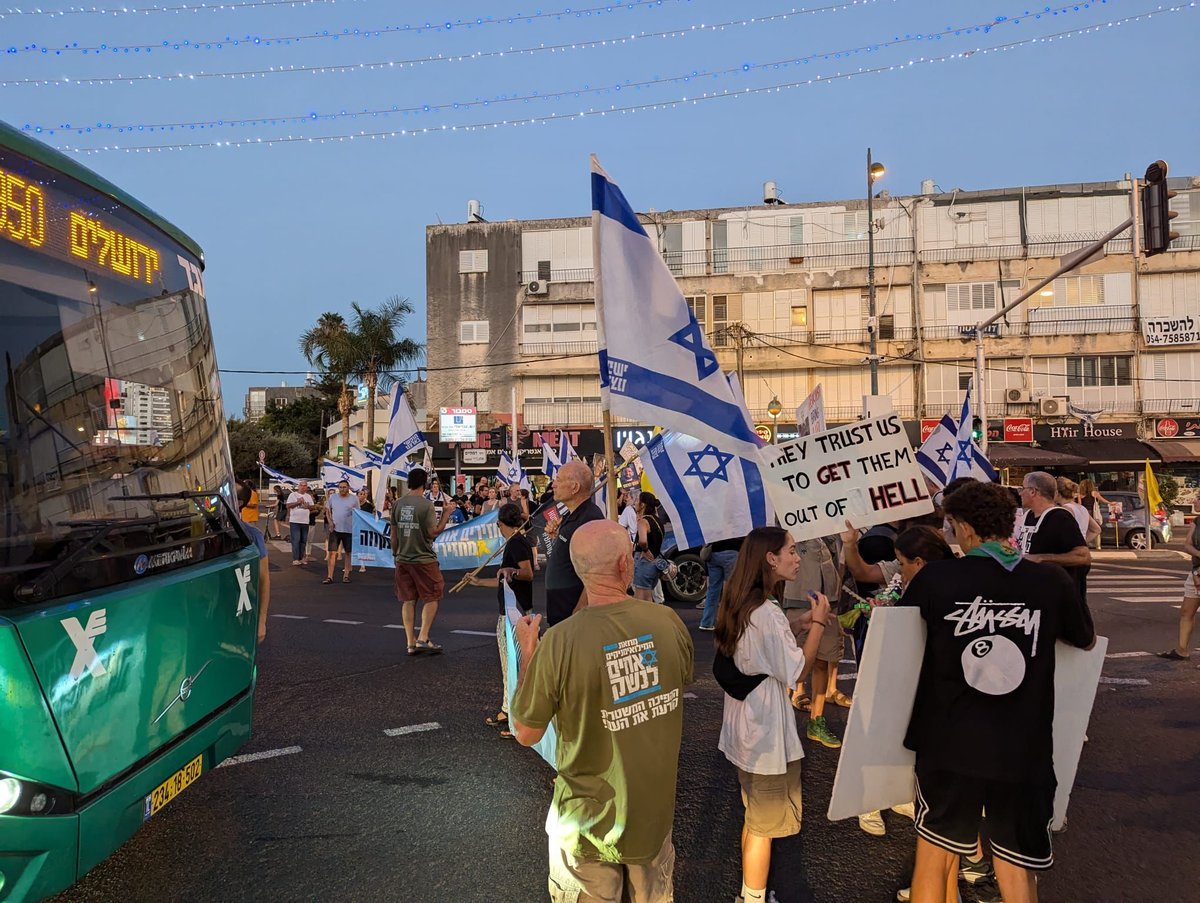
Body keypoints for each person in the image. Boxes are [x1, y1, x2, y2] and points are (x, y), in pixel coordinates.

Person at [901, 481, 1095, 903]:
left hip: (949, 740)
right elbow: (1084, 639)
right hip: (1022, 744)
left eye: (952, 526)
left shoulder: (936, 578)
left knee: (934, 858)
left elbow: (898, 645)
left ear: (966, 527)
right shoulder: (1050, 581)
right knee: (1017, 866)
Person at [510, 520, 693, 903]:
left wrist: (528, 655)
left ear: (578, 571)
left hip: (584, 822)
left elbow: (525, 732)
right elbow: (680, 680)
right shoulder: (669, 622)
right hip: (652, 814)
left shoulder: (559, 642)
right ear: (627, 565)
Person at [714, 526, 832, 903]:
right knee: (764, 826)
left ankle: (751, 892)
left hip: (744, 725)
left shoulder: (741, 598)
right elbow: (798, 670)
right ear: (771, 558)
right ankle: (753, 896)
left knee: (754, 817)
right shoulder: (767, 610)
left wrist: (795, 624)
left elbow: (760, 647)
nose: (797, 558)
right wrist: (816, 622)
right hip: (764, 732)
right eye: (792, 551)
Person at [469, 502, 535, 738]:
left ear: (500, 524)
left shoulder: (516, 542)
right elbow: (504, 579)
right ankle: (510, 710)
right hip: (515, 611)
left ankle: (512, 714)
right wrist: (478, 582)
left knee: (512, 665)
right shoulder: (518, 539)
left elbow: (527, 573)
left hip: (513, 614)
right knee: (515, 664)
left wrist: (511, 572)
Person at [780, 538, 845, 750]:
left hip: (829, 600)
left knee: (823, 660)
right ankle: (780, 721)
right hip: (798, 598)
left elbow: (838, 557)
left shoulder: (833, 524)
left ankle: (817, 720)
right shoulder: (791, 523)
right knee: (789, 661)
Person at [390, 468, 454, 655]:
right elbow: (432, 533)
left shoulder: (397, 504)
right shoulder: (426, 505)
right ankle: (423, 638)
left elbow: (393, 535)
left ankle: (410, 642)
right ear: (424, 483)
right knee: (433, 596)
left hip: (403, 558)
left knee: (408, 599)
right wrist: (447, 514)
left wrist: (396, 555)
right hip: (424, 559)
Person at [1018, 471, 1094, 609]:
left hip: (1058, 601)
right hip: (1033, 597)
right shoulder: (1028, 516)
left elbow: (1084, 556)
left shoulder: (1060, 517)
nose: (1020, 493)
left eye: (1022, 489)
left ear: (1033, 491)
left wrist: (1042, 558)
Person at [543, 459, 605, 626]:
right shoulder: (573, 516)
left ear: (575, 487)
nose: (553, 485)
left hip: (573, 610)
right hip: (561, 604)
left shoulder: (589, 517)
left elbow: (596, 571)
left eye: (559, 480)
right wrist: (557, 537)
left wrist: (580, 610)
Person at [1158, 519, 1200, 662]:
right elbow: (1187, 545)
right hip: (1196, 571)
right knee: (1186, 612)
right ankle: (1182, 650)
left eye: (1198, 498)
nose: (1195, 500)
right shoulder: (1198, 521)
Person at [236, 482, 272, 643]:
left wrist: (261, 622)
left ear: (239, 503)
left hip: (241, 610)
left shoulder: (252, 535)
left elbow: (263, 579)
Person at [632, 491, 671, 602]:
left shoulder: (643, 521)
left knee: (641, 597)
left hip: (644, 561)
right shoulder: (657, 521)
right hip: (655, 562)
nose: (635, 503)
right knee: (648, 595)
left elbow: (643, 540)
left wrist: (645, 549)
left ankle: (642, 618)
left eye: (637, 501)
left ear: (643, 504)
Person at [699, 535, 743, 632]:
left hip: (714, 553)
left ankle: (706, 622)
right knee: (731, 589)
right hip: (732, 552)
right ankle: (727, 622)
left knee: (713, 589)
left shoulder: (716, 521)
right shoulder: (737, 523)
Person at [323, 479, 359, 585]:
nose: (342, 489)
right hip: (335, 529)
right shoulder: (333, 497)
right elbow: (327, 510)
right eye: (340, 487)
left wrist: (354, 512)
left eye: (344, 487)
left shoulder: (354, 499)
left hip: (349, 529)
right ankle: (330, 576)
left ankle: (346, 575)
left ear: (348, 488)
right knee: (332, 553)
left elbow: (358, 513)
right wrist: (330, 522)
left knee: (348, 552)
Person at [1056, 478, 1100, 549]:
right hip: (1079, 549)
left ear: (1057, 493)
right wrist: (1082, 542)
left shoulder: (1065, 509)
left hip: (1067, 551)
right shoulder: (1082, 508)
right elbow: (1096, 529)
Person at [286, 480, 315, 566]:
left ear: (307, 487)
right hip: (295, 521)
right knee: (296, 539)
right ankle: (295, 558)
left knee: (303, 540)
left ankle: (301, 557)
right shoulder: (293, 495)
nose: (303, 487)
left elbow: (313, 506)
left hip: (305, 521)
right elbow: (288, 505)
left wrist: (308, 506)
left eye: (305, 485)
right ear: (298, 486)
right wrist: (297, 502)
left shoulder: (308, 496)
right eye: (301, 485)